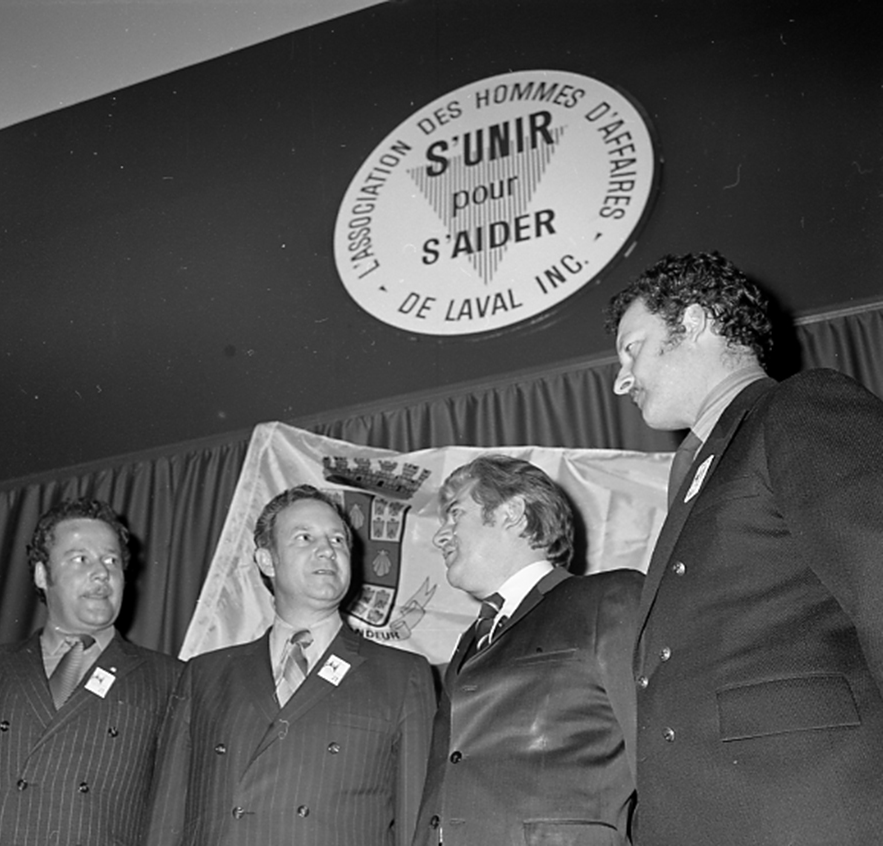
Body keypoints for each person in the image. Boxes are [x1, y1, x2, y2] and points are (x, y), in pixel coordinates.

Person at [606, 250, 883, 846]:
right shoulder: (701, 469)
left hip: (809, 811)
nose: (621, 379)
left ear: (698, 322)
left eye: (633, 348)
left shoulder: (798, 407)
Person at [147, 484, 435, 846]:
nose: (327, 551)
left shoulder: (401, 675)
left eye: (338, 540)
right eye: (305, 537)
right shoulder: (205, 675)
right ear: (267, 560)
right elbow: (166, 822)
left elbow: (418, 825)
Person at [0, 498, 183, 846]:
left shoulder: (171, 679)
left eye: (112, 560)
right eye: (80, 559)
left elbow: (174, 821)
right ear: (42, 574)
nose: (102, 572)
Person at [413, 455, 641, 846]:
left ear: (512, 513)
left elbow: (663, 763)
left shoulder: (609, 600)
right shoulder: (472, 640)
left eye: (455, 514)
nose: (441, 536)